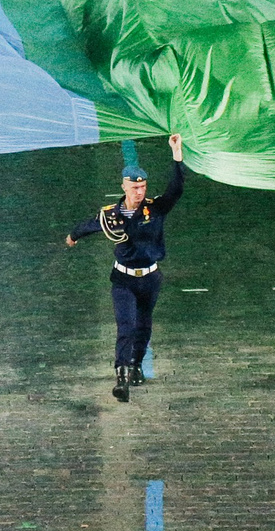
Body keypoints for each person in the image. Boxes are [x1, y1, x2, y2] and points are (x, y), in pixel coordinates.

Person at [65, 134, 187, 403]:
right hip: (123, 278)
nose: (140, 192)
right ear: (124, 187)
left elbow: (175, 190)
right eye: (134, 188)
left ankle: (136, 365)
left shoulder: (154, 209)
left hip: (151, 277)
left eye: (142, 187)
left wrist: (177, 155)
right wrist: (73, 236)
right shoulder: (111, 215)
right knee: (126, 325)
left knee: (144, 326)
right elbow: (90, 225)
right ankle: (121, 377)